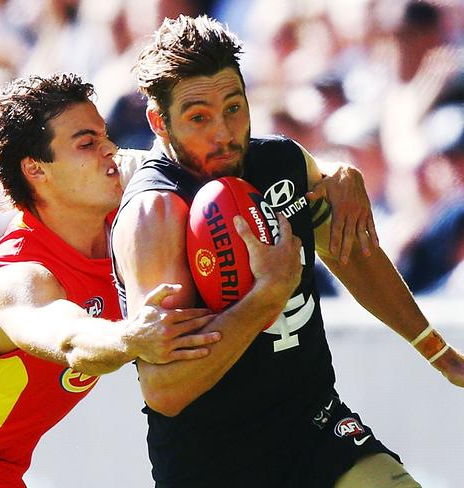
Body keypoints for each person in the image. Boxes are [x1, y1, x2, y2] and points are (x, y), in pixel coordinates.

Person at [111, 15, 464, 488]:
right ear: (160, 121)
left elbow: (352, 255)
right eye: (199, 118)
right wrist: (267, 295)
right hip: (216, 462)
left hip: (319, 432)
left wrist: (438, 352)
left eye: (234, 108)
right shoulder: (153, 217)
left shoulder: (282, 161)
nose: (224, 133)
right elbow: (165, 391)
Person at [0, 74, 223, 487]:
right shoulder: (15, 275)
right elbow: (69, 337)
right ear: (36, 170)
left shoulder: (122, 205)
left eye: (105, 136)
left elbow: (209, 166)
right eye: (87, 144)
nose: (111, 149)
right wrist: (130, 338)